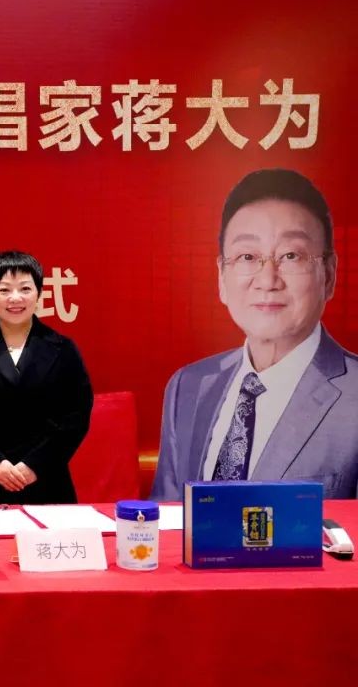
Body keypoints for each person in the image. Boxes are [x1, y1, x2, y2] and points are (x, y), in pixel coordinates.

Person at [151, 168, 358, 501]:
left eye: (291, 256)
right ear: (221, 277)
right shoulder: (188, 386)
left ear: (329, 275)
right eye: (247, 257)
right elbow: (168, 520)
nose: (267, 280)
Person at [0, 251, 93, 504]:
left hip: (47, 479)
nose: (15, 298)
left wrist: (34, 465)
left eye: (25, 288)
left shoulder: (63, 350)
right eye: (4, 290)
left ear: (39, 293)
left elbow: (76, 417)